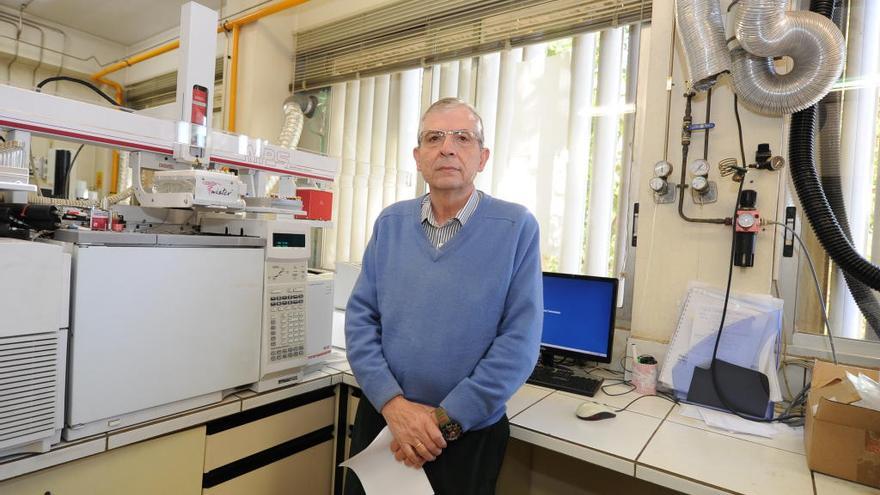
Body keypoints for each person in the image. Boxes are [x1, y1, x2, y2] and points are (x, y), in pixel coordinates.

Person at [343, 97, 543, 495]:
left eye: (462, 138)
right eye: (434, 137)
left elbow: (518, 344)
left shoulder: (516, 227)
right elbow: (360, 320)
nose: (447, 147)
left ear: (482, 157)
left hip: (465, 435)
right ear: (418, 157)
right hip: (384, 422)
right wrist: (394, 408)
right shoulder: (390, 223)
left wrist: (439, 425)